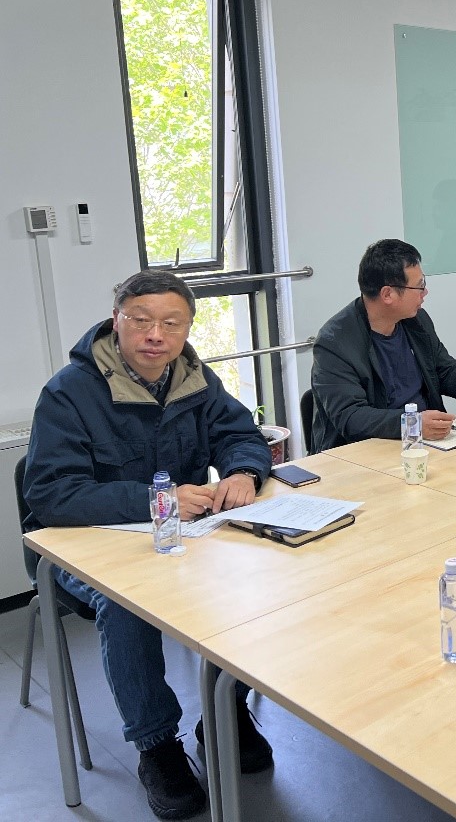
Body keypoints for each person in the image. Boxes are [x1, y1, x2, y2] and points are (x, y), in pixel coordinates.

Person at [23, 270, 274, 820]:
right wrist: (156, 500)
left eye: (171, 323)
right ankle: (156, 745)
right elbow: (51, 494)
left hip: (180, 536)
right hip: (86, 543)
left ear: (187, 329)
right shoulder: (70, 392)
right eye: (140, 321)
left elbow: (240, 434)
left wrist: (243, 472)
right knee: (127, 606)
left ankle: (224, 711)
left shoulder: (195, 378)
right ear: (116, 321)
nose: (155, 335)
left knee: (250, 576)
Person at [311, 239, 456, 452]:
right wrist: (412, 423)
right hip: (367, 452)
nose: (424, 292)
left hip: (427, 445)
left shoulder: (416, 321)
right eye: (419, 286)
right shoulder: (334, 342)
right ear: (388, 294)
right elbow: (351, 417)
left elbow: (444, 370)